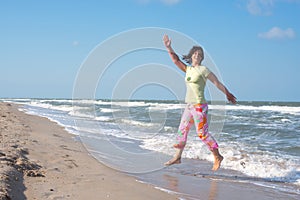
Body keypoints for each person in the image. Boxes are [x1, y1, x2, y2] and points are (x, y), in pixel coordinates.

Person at [163, 34, 236, 171]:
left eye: (200, 54)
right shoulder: (188, 69)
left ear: (202, 58)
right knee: (182, 131)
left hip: (199, 106)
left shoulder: (204, 70)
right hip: (189, 106)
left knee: (202, 133)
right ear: (191, 56)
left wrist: (228, 93)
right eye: (195, 53)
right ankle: (178, 157)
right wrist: (169, 47)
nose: (197, 55)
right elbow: (175, 60)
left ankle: (217, 156)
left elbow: (217, 83)